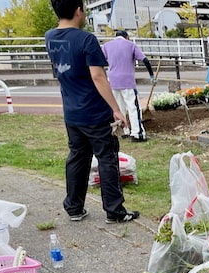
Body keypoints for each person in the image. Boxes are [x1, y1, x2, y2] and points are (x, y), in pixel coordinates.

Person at [45, 0, 140, 224]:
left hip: (71, 111)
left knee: (77, 158)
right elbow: (98, 76)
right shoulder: (86, 39)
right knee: (107, 157)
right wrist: (116, 110)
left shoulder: (50, 37)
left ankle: (74, 207)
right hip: (94, 112)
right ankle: (115, 211)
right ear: (79, 10)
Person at [102, 29, 155, 142]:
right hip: (127, 81)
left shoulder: (107, 46)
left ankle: (123, 131)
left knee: (118, 108)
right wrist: (151, 75)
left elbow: (99, 61)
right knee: (133, 107)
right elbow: (145, 60)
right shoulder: (130, 45)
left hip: (113, 81)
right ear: (126, 37)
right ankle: (137, 134)